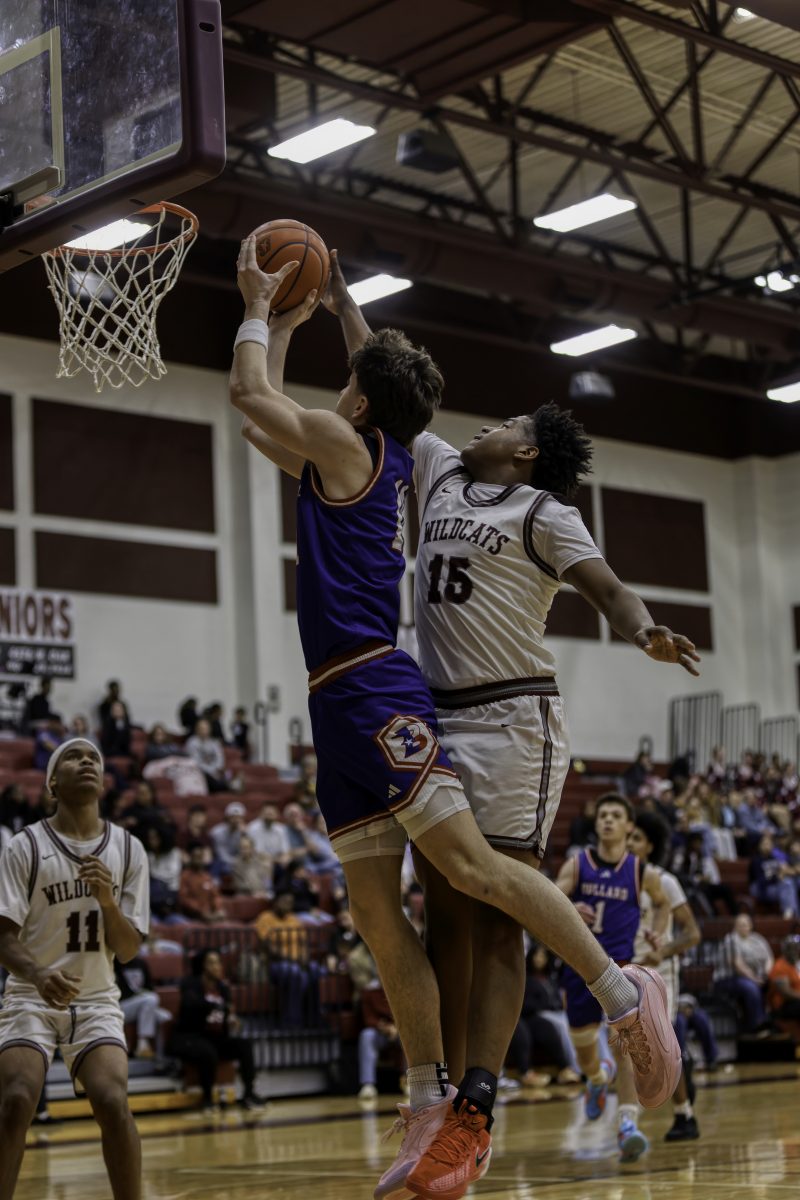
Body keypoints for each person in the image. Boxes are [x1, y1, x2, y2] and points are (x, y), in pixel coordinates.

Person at [231, 239, 682, 1200]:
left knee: (493, 905)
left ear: (526, 453)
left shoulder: (542, 511)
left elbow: (606, 587)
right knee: (434, 915)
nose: (485, 422)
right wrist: (339, 303)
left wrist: (643, 628)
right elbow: (380, 382)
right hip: (418, 704)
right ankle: (438, 1107)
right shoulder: (428, 465)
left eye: (507, 422)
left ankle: (602, 1007)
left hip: (508, 713)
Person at [0, 737, 149, 1200]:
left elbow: (128, 950)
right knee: (16, 1100)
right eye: (73, 756)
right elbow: (2, 936)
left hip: (96, 998)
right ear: (51, 783)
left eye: (94, 758)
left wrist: (108, 901)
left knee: (112, 1101)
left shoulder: (128, 849)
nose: (87, 761)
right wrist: (39, 975)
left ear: (103, 781)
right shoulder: (24, 846)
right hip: (31, 993)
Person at [555, 794, 672, 1161]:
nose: (607, 820)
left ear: (628, 826)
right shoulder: (578, 864)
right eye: (602, 814)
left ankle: (627, 1124)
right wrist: (570, 907)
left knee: (625, 1048)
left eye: (615, 815)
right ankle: (595, 1078)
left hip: (619, 969)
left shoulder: (640, 871)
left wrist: (657, 934)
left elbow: (663, 903)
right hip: (578, 967)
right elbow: (548, 900)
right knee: (584, 1048)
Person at [630, 811, 702, 1142]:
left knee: (663, 1046)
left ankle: (685, 1114)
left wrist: (664, 951)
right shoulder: (616, 880)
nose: (629, 844)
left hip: (658, 974)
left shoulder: (665, 881)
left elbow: (692, 933)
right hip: (624, 971)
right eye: (628, 837)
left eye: (637, 839)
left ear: (650, 846)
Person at [167, 949, 263, 1113]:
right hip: (189, 1037)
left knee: (244, 1045)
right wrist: (215, 1006)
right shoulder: (190, 984)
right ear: (202, 966)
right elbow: (191, 1005)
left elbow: (229, 1012)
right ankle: (208, 1099)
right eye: (211, 963)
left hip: (215, 1037)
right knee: (207, 1051)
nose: (217, 966)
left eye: (218, 962)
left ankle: (249, 1094)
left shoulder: (222, 988)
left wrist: (232, 1019)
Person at [714, 912, 773, 1033]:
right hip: (729, 978)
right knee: (751, 988)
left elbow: (769, 958)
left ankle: (772, 1022)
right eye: (740, 925)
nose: (743, 927)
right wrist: (755, 979)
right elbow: (738, 965)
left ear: (750, 925)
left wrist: (766, 973)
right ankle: (757, 1025)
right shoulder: (731, 939)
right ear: (735, 926)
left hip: (756, 976)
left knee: (775, 984)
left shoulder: (757, 939)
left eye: (745, 924)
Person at [114, 953, 170, 1060]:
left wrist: (141, 994)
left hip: (141, 1004)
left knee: (164, 1016)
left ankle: (161, 1058)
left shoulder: (141, 963)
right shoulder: (115, 963)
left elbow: (149, 987)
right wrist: (138, 994)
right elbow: (119, 992)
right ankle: (142, 1044)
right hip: (121, 1006)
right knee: (151, 999)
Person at [177, 846, 228, 923]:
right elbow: (184, 899)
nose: (198, 860)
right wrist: (201, 911)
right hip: (192, 916)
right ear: (191, 858)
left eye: (200, 857)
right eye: (196, 857)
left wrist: (218, 909)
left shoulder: (207, 876)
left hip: (209, 914)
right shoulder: (185, 876)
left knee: (223, 921)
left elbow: (215, 895)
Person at [767, 934, 800, 1022]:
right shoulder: (780, 966)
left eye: (796, 948)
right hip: (784, 1005)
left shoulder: (796, 964)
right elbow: (786, 992)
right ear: (785, 950)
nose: (794, 951)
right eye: (791, 948)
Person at [210, 800, 247, 873]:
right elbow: (221, 855)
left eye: (239, 817)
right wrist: (236, 862)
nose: (236, 820)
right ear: (227, 818)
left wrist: (244, 836)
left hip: (238, 862)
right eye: (233, 817)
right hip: (221, 862)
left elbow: (246, 852)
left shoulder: (244, 832)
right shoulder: (217, 832)